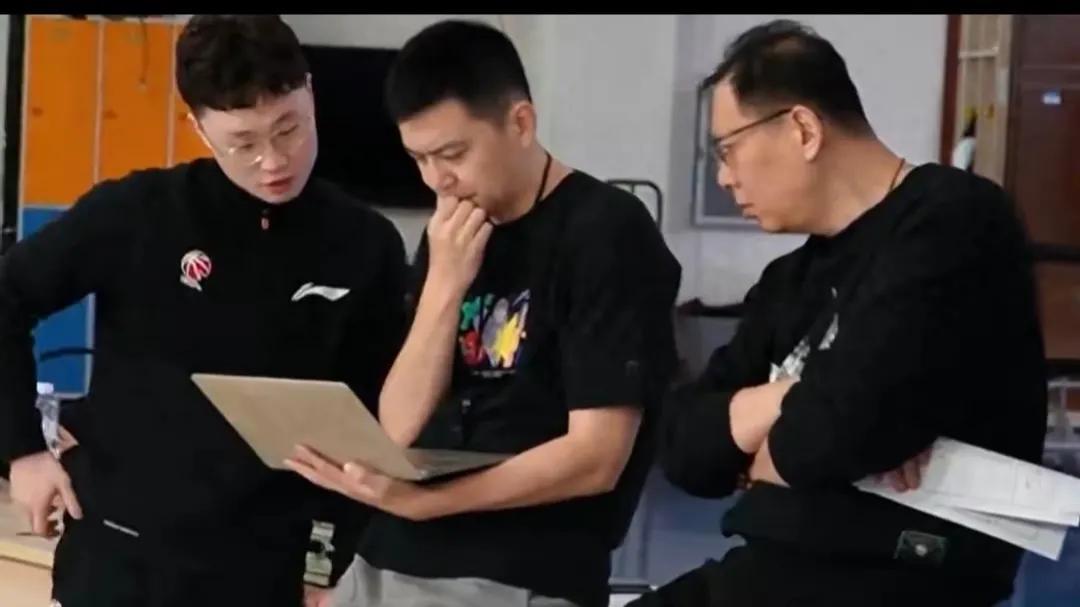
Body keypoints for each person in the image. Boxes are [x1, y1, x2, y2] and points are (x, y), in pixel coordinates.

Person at [634, 20, 1048, 607]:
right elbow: (683, 451)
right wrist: (790, 401)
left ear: (803, 129)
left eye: (729, 149)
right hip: (766, 572)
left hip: (892, 583)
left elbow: (829, 437)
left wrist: (765, 437)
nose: (724, 176)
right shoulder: (792, 279)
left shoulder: (952, 223)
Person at [0, 15, 407, 607]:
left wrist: (331, 563)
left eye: (289, 128)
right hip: (122, 561)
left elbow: (374, 419)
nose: (274, 161)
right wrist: (21, 452)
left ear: (311, 93)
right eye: (243, 143)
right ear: (198, 127)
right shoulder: (139, 213)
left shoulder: (365, 245)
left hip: (269, 568)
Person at [286, 19, 682, 607]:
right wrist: (444, 286)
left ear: (520, 123)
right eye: (419, 159)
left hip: (515, 571)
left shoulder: (605, 231)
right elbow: (398, 426)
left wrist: (429, 503)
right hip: (386, 555)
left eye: (453, 154)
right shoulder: (450, 235)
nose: (437, 180)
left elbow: (596, 458)